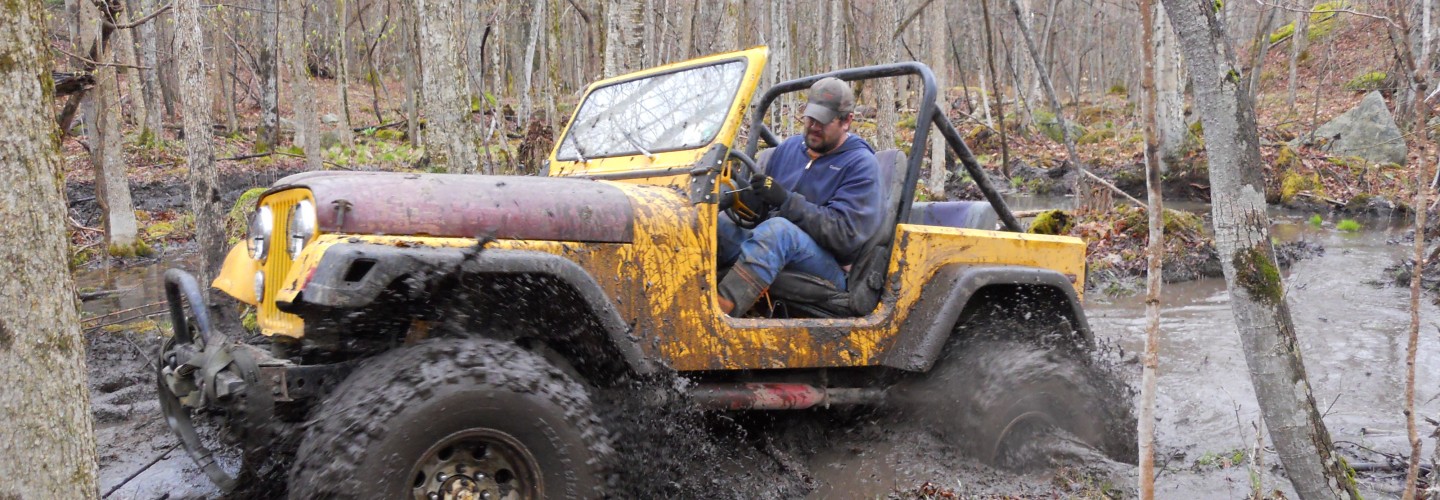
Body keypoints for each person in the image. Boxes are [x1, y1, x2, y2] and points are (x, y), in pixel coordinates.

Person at [717, 77, 883, 316]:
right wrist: (744, 193)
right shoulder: (789, 149)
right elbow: (763, 215)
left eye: (823, 121)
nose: (814, 126)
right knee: (712, 227)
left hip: (829, 265)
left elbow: (845, 236)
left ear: (847, 121)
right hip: (771, 245)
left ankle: (717, 319)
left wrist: (786, 201)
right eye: (810, 117)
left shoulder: (860, 164)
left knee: (779, 231)